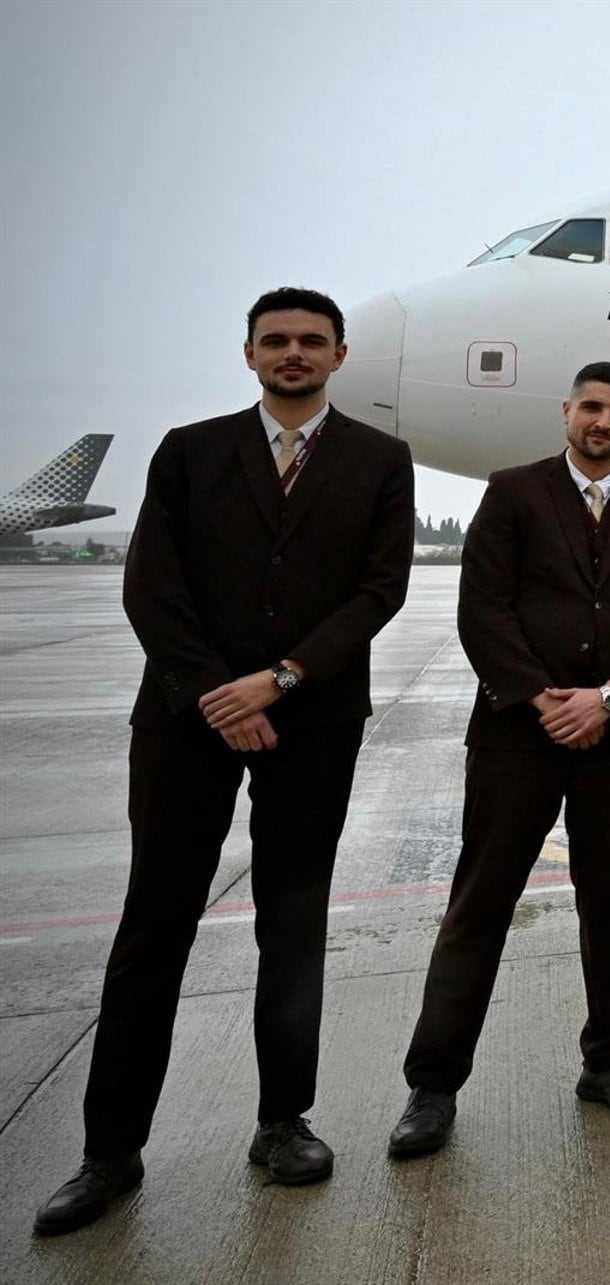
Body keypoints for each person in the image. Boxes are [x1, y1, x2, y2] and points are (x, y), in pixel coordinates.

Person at [35, 288, 415, 1236]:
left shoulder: (380, 459)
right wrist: (217, 692)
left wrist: (280, 681)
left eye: (312, 341)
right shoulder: (189, 450)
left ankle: (283, 1122)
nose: (294, 353)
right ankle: (109, 1151)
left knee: (292, 927)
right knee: (152, 928)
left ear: (339, 355)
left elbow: (381, 589)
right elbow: (150, 584)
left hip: (313, 720)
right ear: (249, 353)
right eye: (276, 340)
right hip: (186, 721)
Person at [387, 362, 610, 1159]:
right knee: (480, 903)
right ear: (566, 411)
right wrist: (543, 699)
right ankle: (433, 1084)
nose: (603, 421)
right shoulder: (514, 490)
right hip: (517, 735)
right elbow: (482, 608)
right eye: (592, 406)